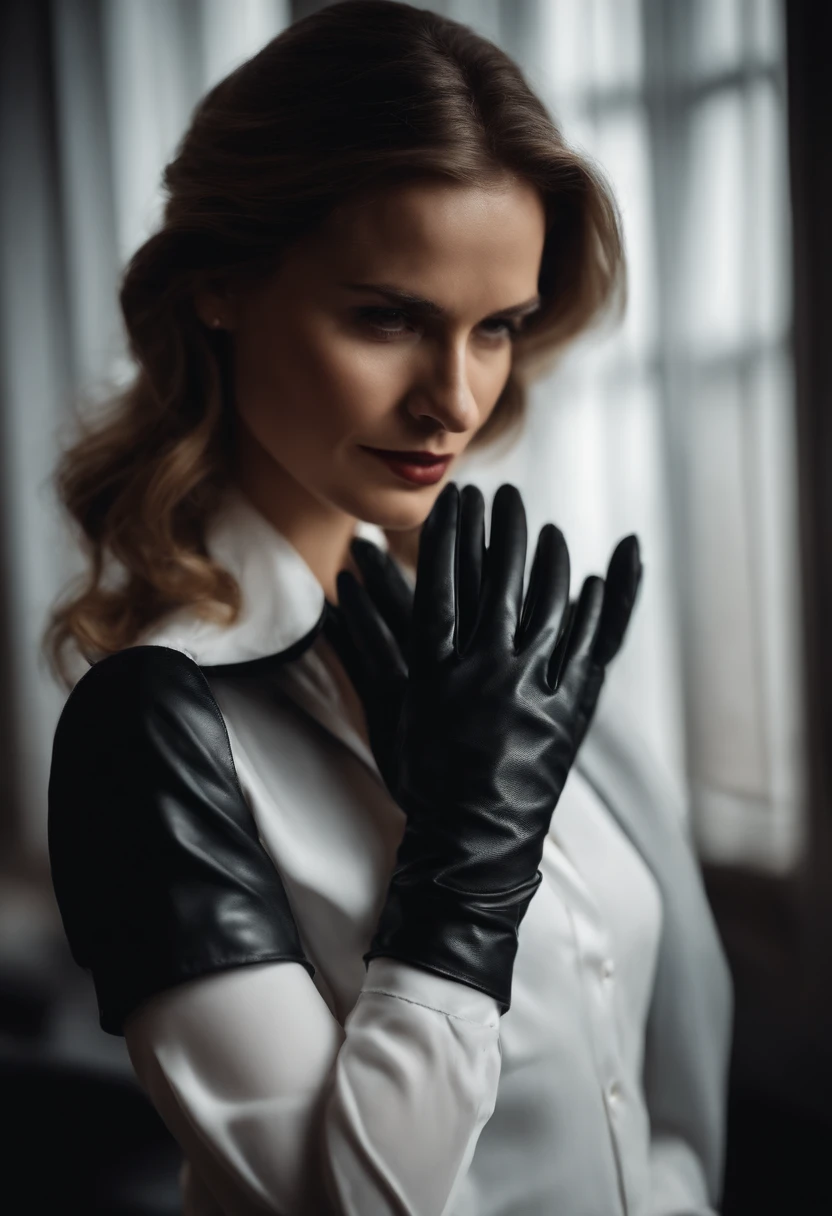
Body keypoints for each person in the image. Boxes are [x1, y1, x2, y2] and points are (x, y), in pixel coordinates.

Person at [44, 2, 733, 1213]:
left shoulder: (502, 650)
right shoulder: (154, 733)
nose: (455, 400)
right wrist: (466, 868)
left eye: (498, 328)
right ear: (219, 287)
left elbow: (661, 1073)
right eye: (387, 317)